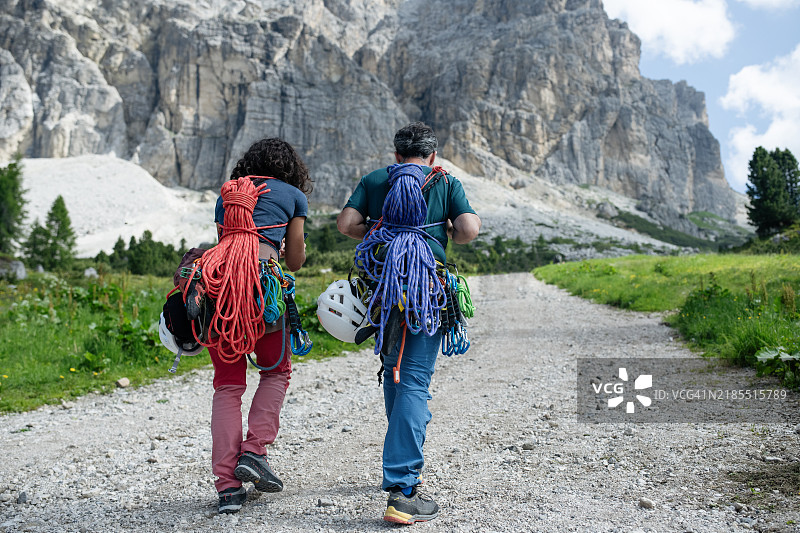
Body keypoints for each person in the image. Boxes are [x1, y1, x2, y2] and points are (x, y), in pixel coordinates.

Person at [337, 122, 481, 524]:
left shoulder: (376, 179)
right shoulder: (444, 182)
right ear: (432, 156)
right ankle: (402, 490)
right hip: (426, 288)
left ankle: (398, 460)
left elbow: (347, 225)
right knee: (414, 379)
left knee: (393, 371)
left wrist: (378, 229)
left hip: (385, 287)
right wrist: (447, 227)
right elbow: (468, 230)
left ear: (397, 155)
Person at [208, 138, 311, 514]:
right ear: (290, 168)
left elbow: (226, 243)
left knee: (228, 386)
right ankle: (254, 451)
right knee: (276, 372)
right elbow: (296, 260)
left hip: (221, 292)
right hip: (262, 291)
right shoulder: (293, 196)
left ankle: (228, 488)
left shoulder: (227, 196)